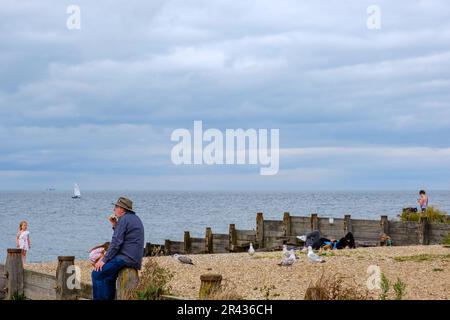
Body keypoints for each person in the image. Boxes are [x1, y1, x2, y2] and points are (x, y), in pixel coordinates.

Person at [91, 197, 145, 300]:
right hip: (133, 258)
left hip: (125, 257)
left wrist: (104, 260)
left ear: (122, 209)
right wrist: (115, 225)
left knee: (97, 273)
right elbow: (123, 237)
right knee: (108, 278)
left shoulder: (124, 219)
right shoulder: (133, 218)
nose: (114, 209)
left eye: (116, 207)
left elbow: (116, 243)